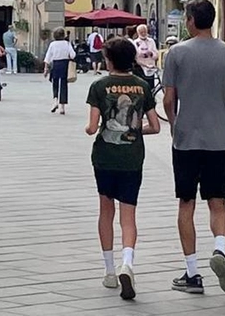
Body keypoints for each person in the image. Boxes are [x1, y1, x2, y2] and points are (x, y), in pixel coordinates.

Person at [162, 0, 225, 296]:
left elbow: (169, 99)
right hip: (221, 139)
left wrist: (174, 125)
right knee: (218, 201)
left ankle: (192, 273)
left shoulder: (176, 54)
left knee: (186, 203)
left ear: (191, 21)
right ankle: (220, 250)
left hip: (187, 140)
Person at [86, 37, 159, 301]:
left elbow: (92, 127)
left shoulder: (99, 86)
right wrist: (136, 130)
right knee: (128, 215)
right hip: (132, 158)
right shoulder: (142, 86)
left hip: (105, 157)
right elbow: (156, 126)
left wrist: (90, 129)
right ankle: (127, 263)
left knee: (106, 210)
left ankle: (108, 271)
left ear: (108, 60)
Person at [43, 28, 77, 114]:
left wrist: (46, 68)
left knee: (55, 83)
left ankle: (55, 101)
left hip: (55, 64)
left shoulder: (52, 44)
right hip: (64, 65)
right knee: (63, 84)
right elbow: (73, 55)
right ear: (63, 35)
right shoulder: (67, 43)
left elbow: (48, 57)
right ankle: (62, 107)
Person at [132, 24, 159, 89]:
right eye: (141, 32)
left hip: (150, 66)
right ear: (138, 33)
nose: (143, 33)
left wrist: (151, 54)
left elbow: (156, 54)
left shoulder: (151, 41)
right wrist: (143, 54)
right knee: (141, 86)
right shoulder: (135, 42)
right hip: (140, 67)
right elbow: (136, 56)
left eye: (145, 31)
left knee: (150, 87)